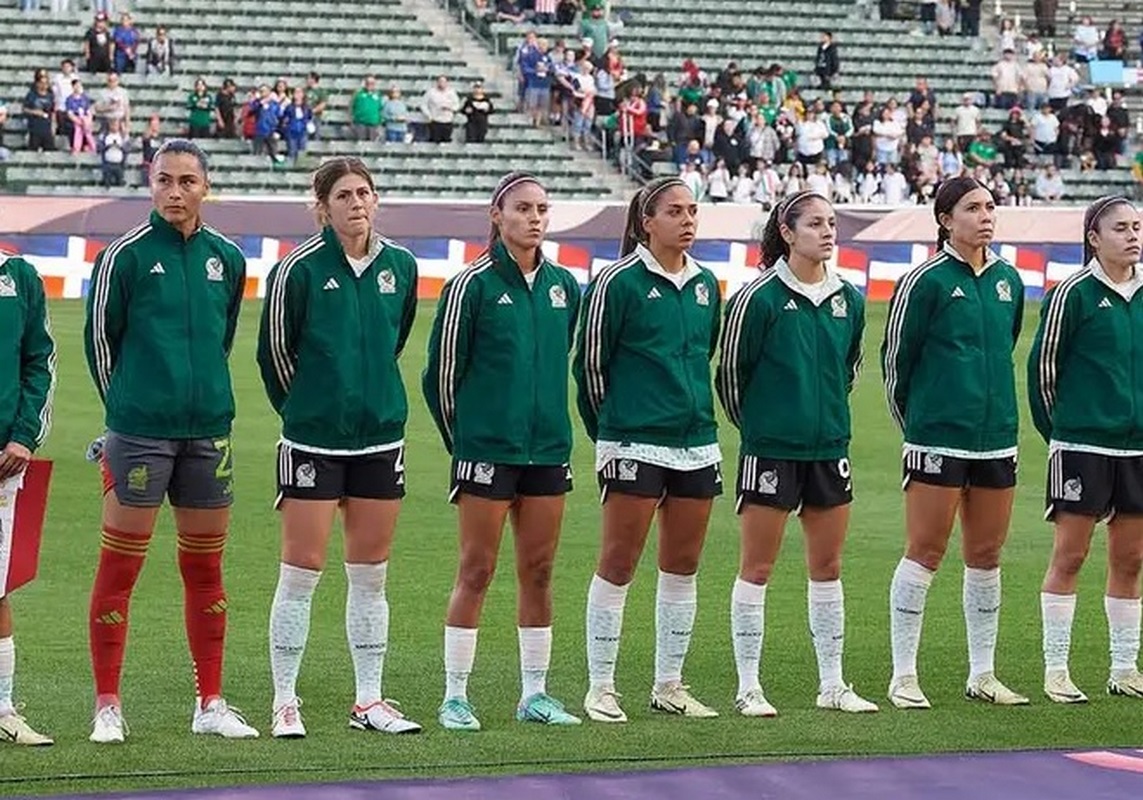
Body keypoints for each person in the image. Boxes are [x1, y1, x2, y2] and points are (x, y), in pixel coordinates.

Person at [83, 139, 257, 744]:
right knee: (119, 568)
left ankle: (210, 702)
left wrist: (200, 396)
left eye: (187, 181)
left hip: (209, 434)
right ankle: (108, 705)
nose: (175, 192)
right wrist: (127, 415)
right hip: (139, 434)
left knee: (205, 570)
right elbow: (101, 344)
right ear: (149, 183)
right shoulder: (124, 257)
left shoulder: (227, 259)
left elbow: (222, 338)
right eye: (165, 180)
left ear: (206, 186)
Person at [257, 157, 422, 739]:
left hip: (380, 439)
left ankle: (369, 700)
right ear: (322, 206)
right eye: (345, 195)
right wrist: (309, 409)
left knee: (371, 576)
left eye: (366, 193)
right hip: (313, 440)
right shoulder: (295, 270)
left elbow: (394, 341)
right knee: (301, 573)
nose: (358, 203)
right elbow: (274, 355)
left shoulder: (401, 266)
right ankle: (284, 701)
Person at [422, 172, 582, 732]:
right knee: (477, 569)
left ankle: (534, 694)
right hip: (486, 451)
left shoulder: (565, 285)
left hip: (546, 453)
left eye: (542, 207)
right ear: (497, 215)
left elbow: (564, 357)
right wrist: (464, 444)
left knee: (538, 571)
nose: (534, 217)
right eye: (522, 208)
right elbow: (440, 375)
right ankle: (455, 696)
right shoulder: (471, 285)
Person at [716, 190, 877, 718]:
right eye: (815, 223)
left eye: (832, 223)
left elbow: (847, 369)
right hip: (771, 449)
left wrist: (823, 417)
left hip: (830, 448)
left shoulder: (848, 299)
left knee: (827, 567)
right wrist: (764, 428)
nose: (828, 231)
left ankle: (832, 684)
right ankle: (747, 686)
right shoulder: (756, 298)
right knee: (757, 567)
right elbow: (732, 378)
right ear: (787, 232)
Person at [573, 176, 723, 723]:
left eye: (693, 211)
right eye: (675, 211)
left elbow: (705, 356)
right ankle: (601, 686)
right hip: (634, 440)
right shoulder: (617, 282)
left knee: (682, 566)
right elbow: (590, 367)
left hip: (697, 444)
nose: (688, 220)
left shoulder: (707, 284)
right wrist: (610, 433)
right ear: (646, 222)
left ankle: (669, 684)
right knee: (618, 563)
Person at [880, 176, 1028, 709]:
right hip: (937, 437)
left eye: (991, 206)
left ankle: (983, 674)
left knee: (986, 556)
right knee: (925, 552)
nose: (986, 215)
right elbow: (896, 361)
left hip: (995, 439)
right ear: (946, 219)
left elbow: (1006, 346)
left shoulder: (1009, 279)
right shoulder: (925, 281)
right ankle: (903, 675)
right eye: (972, 207)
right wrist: (918, 426)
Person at [1028, 195, 1143, 703]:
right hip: (1082, 443)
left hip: (1138, 448)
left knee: (1131, 559)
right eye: (1120, 228)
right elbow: (1043, 371)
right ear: (1094, 238)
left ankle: (1124, 667)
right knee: (1070, 556)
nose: (1133, 235)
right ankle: (1057, 669)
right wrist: (1064, 431)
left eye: (1137, 226)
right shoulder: (1071, 293)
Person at [0, 248, 56, 746]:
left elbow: (39, 361)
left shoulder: (17, 276)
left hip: (2, 458)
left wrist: (23, 436)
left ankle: (2, 709)